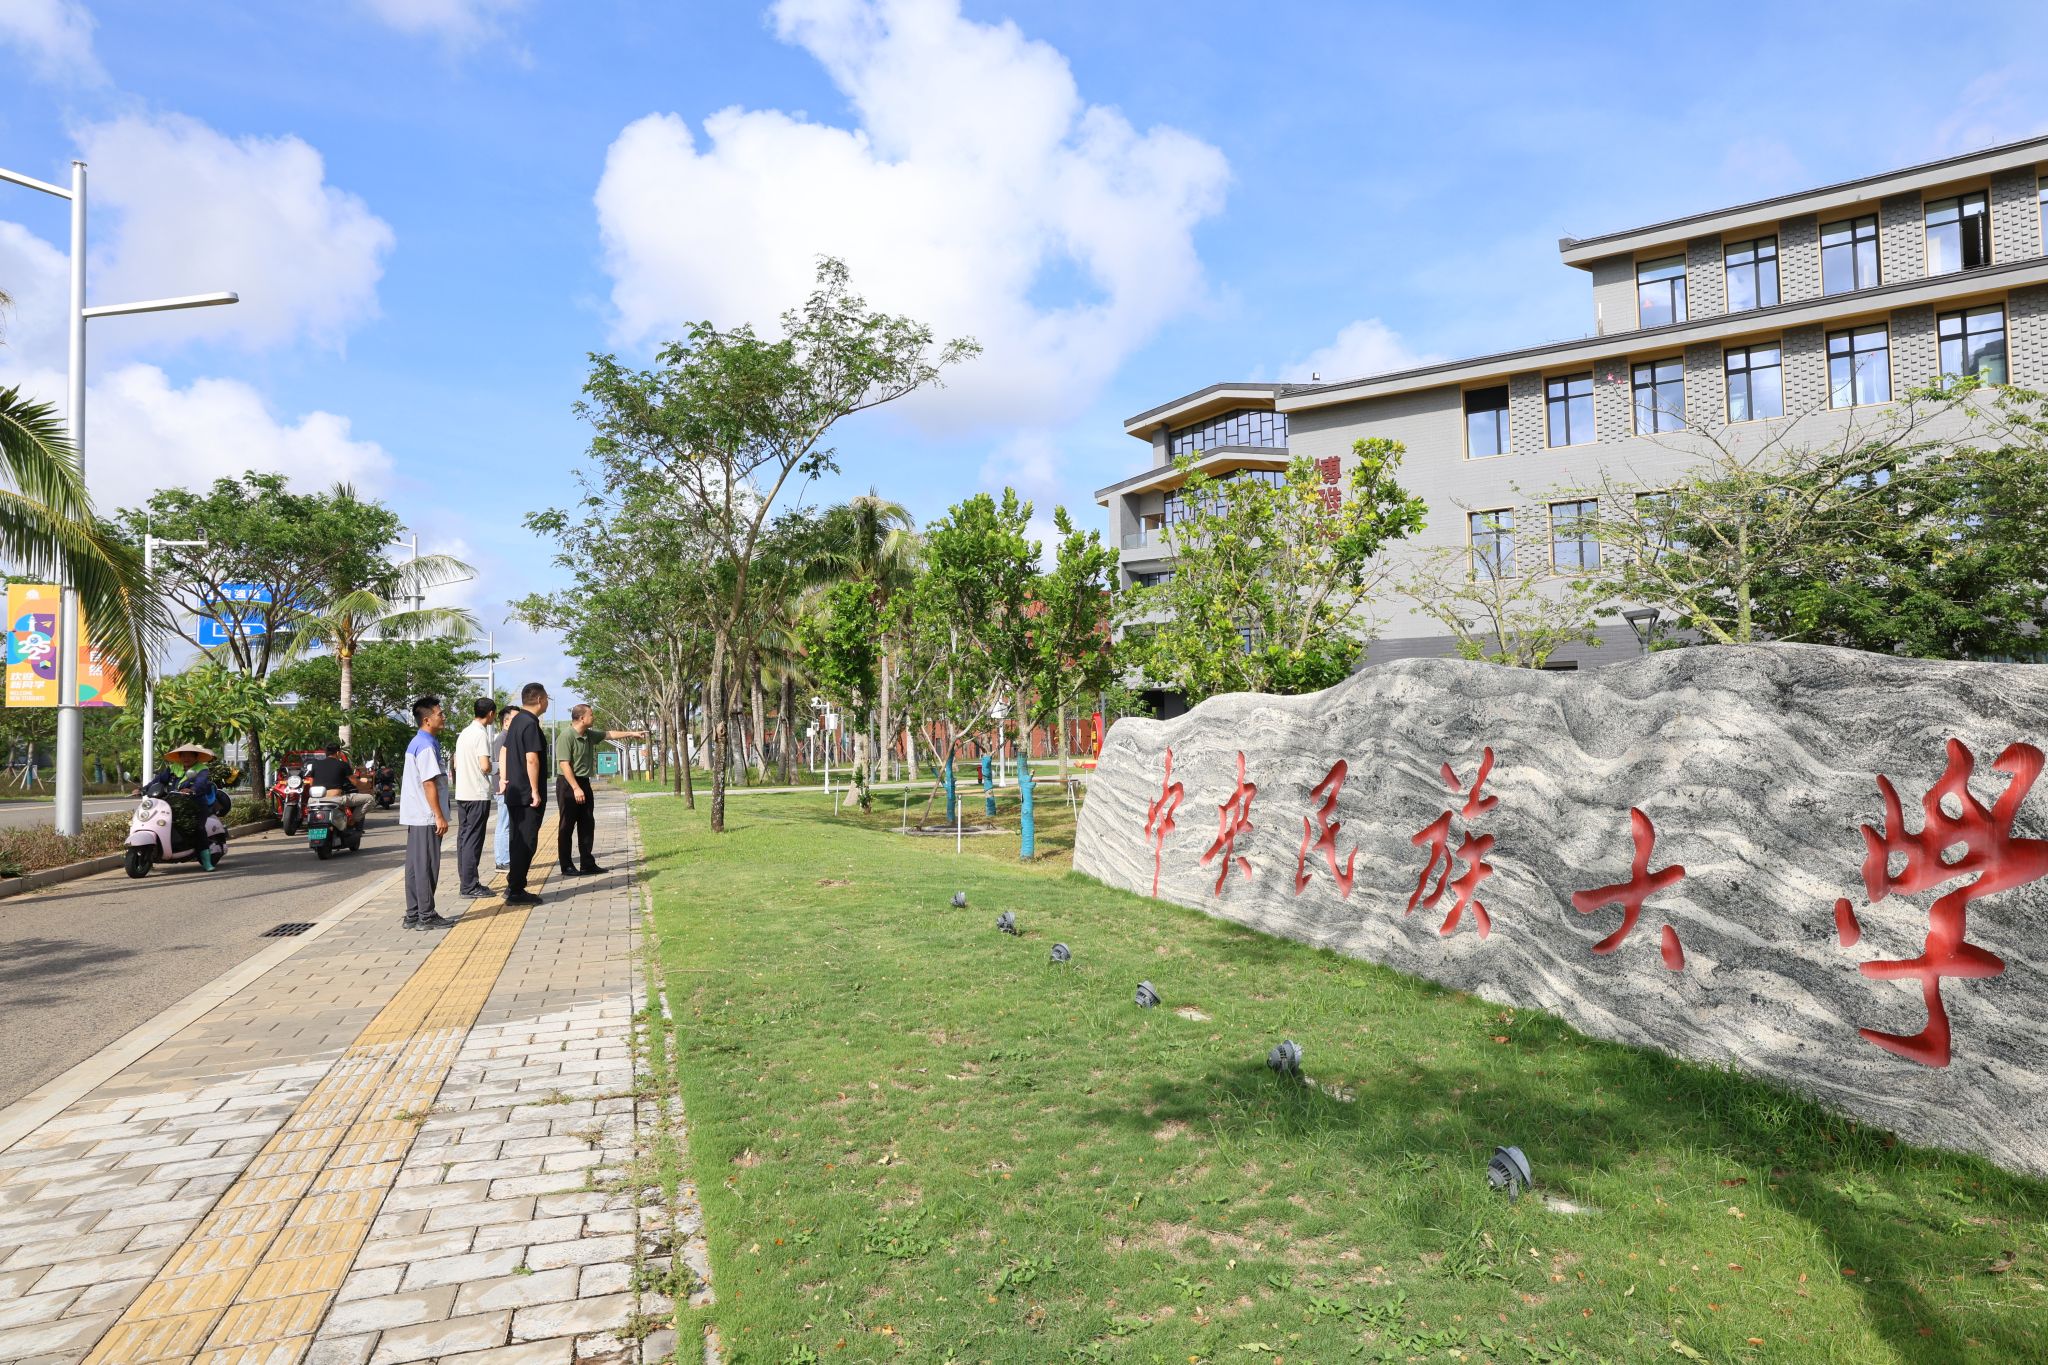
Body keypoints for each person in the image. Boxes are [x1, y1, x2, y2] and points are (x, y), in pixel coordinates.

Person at [557, 704, 647, 876]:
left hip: (584, 782)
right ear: (581, 718)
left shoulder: (589, 734)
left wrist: (631, 733)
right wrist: (575, 788)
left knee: (587, 823)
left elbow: (609, 734)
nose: (594, 717)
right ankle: (566, 866)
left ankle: (587, 864)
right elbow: (564, 764)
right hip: (568, 784)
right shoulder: (566, 736)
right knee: (566, 826)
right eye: (591, 714)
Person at [399, 695, 454, 931]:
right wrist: (438, 815)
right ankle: (426, 915)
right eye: (440, 714)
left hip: (417, 814)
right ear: (427, 720)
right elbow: (429, 783)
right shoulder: (426, 746)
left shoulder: (418, 742)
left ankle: (413, 914)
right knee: (426, 866)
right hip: (426, 815)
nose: (444, 717)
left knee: (415, 866)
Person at [502, 681, 550, 906]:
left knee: (517, 840)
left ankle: (513, 883)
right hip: (526, 795)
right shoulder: (530, 723)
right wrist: (535, 791)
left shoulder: (516, 721)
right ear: (540, 699)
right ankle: (516, 890)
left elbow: (506, 752)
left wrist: (505, 780)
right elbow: (532, 758)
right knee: (526, 842)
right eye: (547, 698)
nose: (547, 702)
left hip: (515, 791)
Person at [453, 697, 497, 898]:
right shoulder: (480, 734)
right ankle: (470, 886)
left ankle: (466, 881)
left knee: (464, 839)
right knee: (473, 840)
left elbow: (456, 763)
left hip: (463, 793)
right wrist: (498, 768)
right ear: (490, 713)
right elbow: (485, 766)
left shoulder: (464, 733)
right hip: (477, 793)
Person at [304, 742, 371, 826]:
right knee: (369, 799)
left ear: (326, 753)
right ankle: (352, 820)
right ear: (338, 752)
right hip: (335, 799)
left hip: (314, 800)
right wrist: (364, 783)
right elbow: (355, 783)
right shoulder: (343, 765)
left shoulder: (315, 764)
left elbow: (311, 783)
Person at [493, 702, 517, 871]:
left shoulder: (509, 737)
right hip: (503, 788)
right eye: (516, 718)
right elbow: (499, 764)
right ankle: (502, 860)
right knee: (504, 824)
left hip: (508, 787)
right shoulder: (502, 738)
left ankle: (506, 858)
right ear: (506, 721)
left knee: (507, 823)